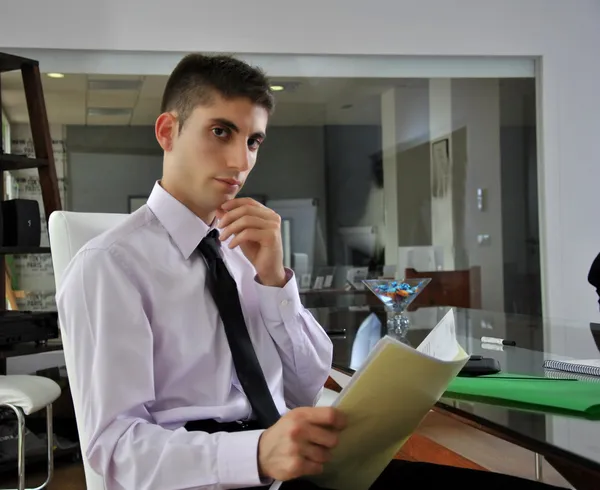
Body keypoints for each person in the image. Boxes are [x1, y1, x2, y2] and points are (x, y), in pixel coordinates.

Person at [56, 53, 563, 490]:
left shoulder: (244, 252)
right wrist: (255, 454)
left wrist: (276, 283)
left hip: (298, 474)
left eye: (254, 141)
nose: (240, 160)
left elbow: (303, 388)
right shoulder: (110, 267)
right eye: (220, 131)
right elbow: (114, 451)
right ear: (168, 131)